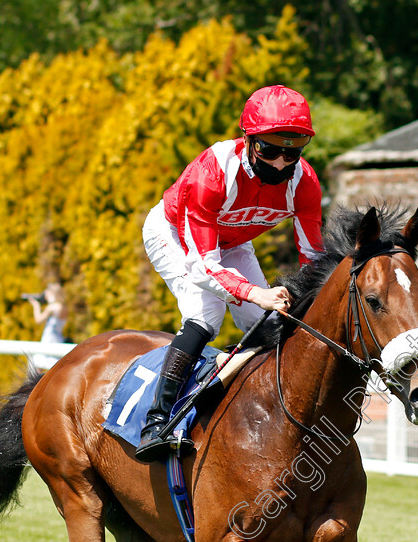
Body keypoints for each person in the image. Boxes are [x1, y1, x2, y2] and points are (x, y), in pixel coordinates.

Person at [135, 84, 324, 462]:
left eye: (293, 151)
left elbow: (313, 259)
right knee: (207, 315)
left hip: (232, 244)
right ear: (249, 141)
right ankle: (157, 422)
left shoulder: (304, 182)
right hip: (175, 233)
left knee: (269, 322)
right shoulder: (213, 171)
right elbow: (204, 267)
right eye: (270, 150)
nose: (280, 163)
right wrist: (257, 292)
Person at [23, 281, 68, 371]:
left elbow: (38, 320)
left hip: (49, 340)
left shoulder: (52, 307)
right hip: (58, 339)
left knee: (35, 365)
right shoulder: (64, 307)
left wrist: (36, 306)